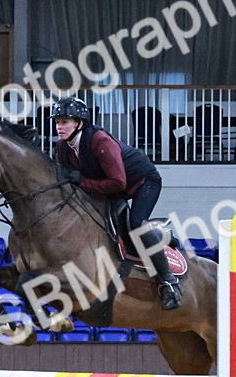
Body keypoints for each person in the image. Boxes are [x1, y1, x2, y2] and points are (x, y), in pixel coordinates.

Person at [51, 97, 182, 310]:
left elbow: (117, 182)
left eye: (64, 121)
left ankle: (169, 283)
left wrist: (82, 182)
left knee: (136, 224)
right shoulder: (62, 147)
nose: (59, 126)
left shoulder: (100, 141)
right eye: (57, 122)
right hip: (111, 187)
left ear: (80, 123)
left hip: (143, 181)